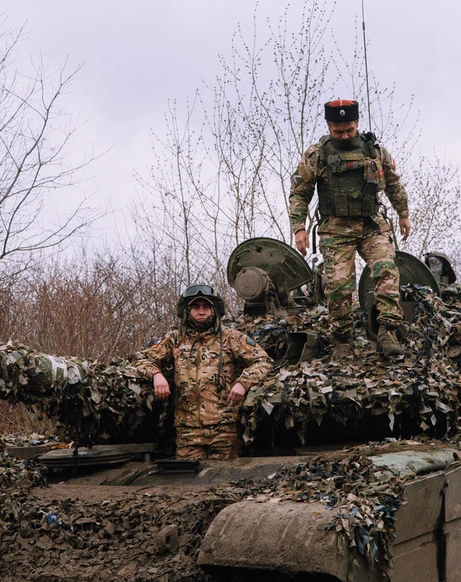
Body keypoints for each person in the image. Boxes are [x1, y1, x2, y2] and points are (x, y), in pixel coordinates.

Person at [288, 99, 412, 359]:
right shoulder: (317, 155)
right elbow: (299, 193)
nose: (344, 135)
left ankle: (387, 331)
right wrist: (299, 228)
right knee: (339, 287)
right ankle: (343, 340)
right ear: (329, 126)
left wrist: (403, 214)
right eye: (338, 131)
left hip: (371, 225)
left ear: (356, 123)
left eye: (349, 130)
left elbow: (393, 184)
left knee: (386, 271)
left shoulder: (376, 152)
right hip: (336, 228)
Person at [134, 284, 272, 460]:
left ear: (214, 310)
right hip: (188, 431)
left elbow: (263, 361)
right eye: (196, 307)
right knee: (187, 482)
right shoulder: (176, 339)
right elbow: (142, 359)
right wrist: (156, 375)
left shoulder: (231, 338)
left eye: (206, 307)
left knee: (224, 482)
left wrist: (243, 383)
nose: (201, 311)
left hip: (224, 428)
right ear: (187, 311)